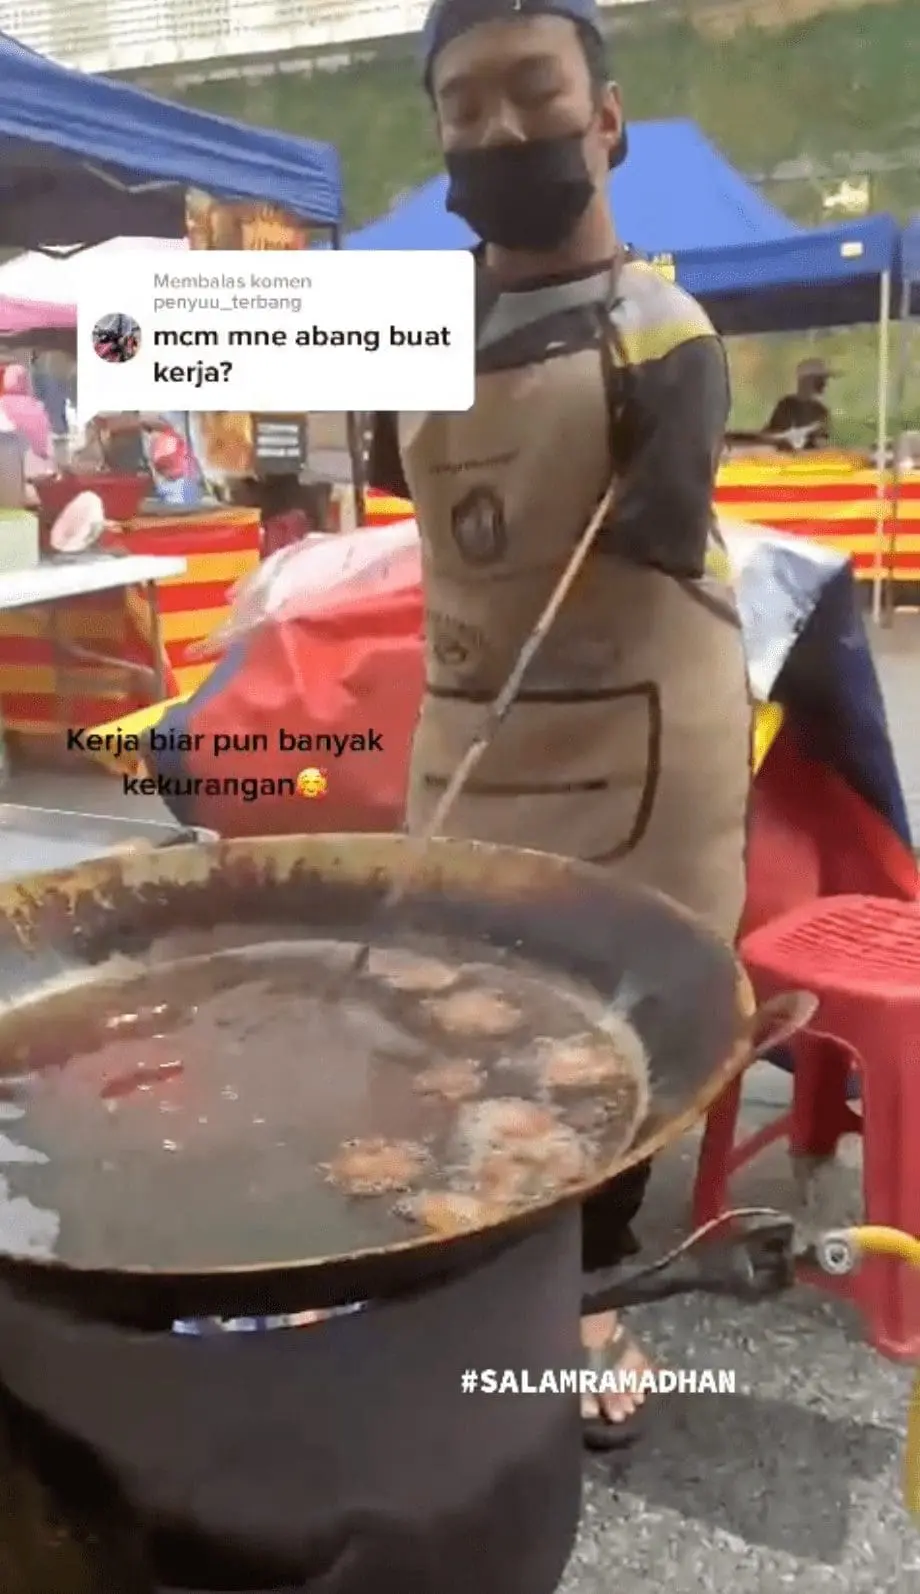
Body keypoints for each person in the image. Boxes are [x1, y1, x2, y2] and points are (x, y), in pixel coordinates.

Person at [367, 0, 751, 1447]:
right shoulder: (419, 332)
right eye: (461, 108)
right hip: (474, 727)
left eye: (532, 91)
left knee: (616, 1021)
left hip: (639, 744)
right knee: (448, 1000)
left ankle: (591, 1293)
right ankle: (470, 1259)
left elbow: (662, 533)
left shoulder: (664, 334)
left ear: (606, 120)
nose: (497, 130)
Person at [765, 357, 834, 449]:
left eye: (823, 379)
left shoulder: (821, 411)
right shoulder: (786, 405)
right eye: (820, 379)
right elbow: (773, 436)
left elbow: (822, 443)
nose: (824, 384)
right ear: (806, 381)